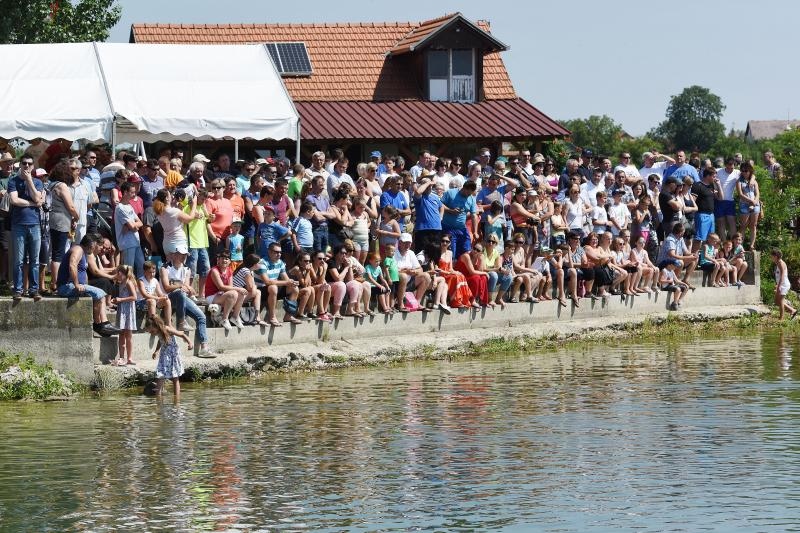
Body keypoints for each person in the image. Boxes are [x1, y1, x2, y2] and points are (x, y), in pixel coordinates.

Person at [56, 233, 120, 337]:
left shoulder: (84, 253)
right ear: (91, 244)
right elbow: (72, 265)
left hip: (74, 286)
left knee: (98, 293)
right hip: (67, 286)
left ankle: (100, 324)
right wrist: (76, 284)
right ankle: (102, 324)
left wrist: (85, 286)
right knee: (100, 293)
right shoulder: (78, 249)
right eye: (96, 245)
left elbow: (83, 272)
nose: (97, 248)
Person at [160, 248, 212, 357]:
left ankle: (204, 347)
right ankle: (181, 321)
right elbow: (166, 287)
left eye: (185, 255)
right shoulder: (165, 267)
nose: (184, 257)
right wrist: (181, 286)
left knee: (201, 317)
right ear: (174, 255)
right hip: (167, 298)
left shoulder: (187, 269)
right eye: (181, 254)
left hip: (181, 297)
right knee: (180, 292)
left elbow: (187, 289)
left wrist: (189, 290)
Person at [8, 154, 44, 301]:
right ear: (20, 165)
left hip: (35, 224)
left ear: (33, 166)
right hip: (18, 225)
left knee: (35, 260)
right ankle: (18, 290)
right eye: (24, 163)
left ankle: (33, 290)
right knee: (18, 260)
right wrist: (32, 203)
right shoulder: (13, 181)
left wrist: (29, 180)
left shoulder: (37, 182)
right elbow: (14, 200)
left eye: (30, 164)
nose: (27, 166)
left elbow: (38, 199)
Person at [146, 315, 191, 396]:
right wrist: (156, 351)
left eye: (152, 331)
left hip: (173, 355)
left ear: (157, 325)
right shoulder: (159, 332)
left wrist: (190, 343)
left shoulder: (167, 329)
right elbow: (160, 341)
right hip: (164, 356)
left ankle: (176, 400)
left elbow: (182, 335)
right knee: (160, 375)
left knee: (175, 378)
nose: (152, 333)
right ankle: (158, 400)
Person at [205, 251, 247, 331]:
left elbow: (230, 287)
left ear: (230, 261)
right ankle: (225, 319)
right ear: (218, 260)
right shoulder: (214, 270)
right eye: (223, 258)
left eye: (227, 259)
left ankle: (235, 317)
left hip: (222, 295)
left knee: (240, 294)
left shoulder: (229, 270)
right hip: (211, 296)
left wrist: (238, 290)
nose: (224, 261)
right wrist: (238, 288)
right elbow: (221, 287)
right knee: (234, 293)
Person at [394, 233, 432, 311]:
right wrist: (405, 271)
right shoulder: (394, 253)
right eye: (405, 243)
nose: (408, 245)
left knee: (426, 276)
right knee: (404, 276)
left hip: (410, 281)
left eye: (409, 243)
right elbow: (391, 270)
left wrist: (414, 271)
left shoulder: (411, 253)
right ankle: (400, 304)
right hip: (397, 281)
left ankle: (417, 302)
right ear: (400, 243)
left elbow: (420, 269)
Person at [114, 182, 145, 278]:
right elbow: (133, 227)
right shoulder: (120, 208)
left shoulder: (129, 206)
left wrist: (130, 226)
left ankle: (139, 291)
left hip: (135, 241)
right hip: (127, 244)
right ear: (125, 192)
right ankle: (125, 291)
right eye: (132, 192)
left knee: (141, 266)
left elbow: (140, 223)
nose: (134, 194)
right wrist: (132, 226)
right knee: (128, 270)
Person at [231, 254, 270, 327]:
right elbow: (251, 290)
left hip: (239, 294)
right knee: (256, 292)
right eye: (259, 263)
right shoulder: (246, 271)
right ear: (255, 264)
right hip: (235, 296)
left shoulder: (249, 270)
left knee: (258, 292)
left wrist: (254, 286)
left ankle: (257, 317)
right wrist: (255, 286)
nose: (261, 265)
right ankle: (257, 318)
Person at [656, 223, 698, 289]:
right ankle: (675, 282)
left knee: (694, 260)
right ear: (680, 232)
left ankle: (685, 280)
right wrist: (688, 257)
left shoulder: (680, 239)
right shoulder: (670, 240)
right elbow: (672, 255)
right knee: (680, 262)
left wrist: (693, 255)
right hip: (664, 263)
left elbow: (686, 252)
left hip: (674, 261)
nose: (684, 233)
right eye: (683, 232)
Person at [436, 235, 473, 308]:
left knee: (461, 275)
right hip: (441, 275)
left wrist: (455, 272)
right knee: (456, 277)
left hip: (448, 273)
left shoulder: (450, 253)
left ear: (450, 243)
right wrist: (449, 273)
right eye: (443, 241)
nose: (445, 243)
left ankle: (462, 300)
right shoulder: (437, 252)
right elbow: (437, 269)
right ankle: (455, 301)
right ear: (440, 242)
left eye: (447, 241)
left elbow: (450, 268)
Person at [111, 265, 138, 366]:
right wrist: (116, 301)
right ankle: (122, 357)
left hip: (128, 311)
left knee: (128, 335)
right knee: (121, 333)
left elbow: (134, 297)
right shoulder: (121, 283)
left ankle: (129, 358)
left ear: (120, 273)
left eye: (117, 273)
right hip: (122, 309)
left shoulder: (128, 282)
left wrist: (121, 300)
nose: (116, 275)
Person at [136, 260, 172, 326]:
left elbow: (160, 293)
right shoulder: (141, 281)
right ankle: (153, 325)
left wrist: (164, 296)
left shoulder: (155, 280)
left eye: (154, 272)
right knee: (152, 301)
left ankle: (169, 324)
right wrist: (158, 298)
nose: (152, 274)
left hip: (153, 301)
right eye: (150, 272)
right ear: (145, 272)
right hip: (140, 303)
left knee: (167, 301)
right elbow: (145, 295)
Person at [736, 162, 760, 251]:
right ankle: (740, 246)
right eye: (742, 171)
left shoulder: (754, 181)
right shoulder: (739, 181)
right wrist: (751, 201)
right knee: (743, 226)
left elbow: (757, 193)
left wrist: (754, 202)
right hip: (744, 204)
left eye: (746, 171)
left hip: (755, 205)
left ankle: (752, 245)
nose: (744, 172)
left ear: (750, 171)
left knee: (753, 225)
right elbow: (740, 194)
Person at [770, 249, 797, 320]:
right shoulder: (777, 263)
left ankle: (781, 319)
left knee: (781, 301)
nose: (771, 258)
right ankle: (792, 310)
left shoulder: (781, 263)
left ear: (775, 256)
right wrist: (777, 284)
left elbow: (782, 276)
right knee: (776, 301)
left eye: (771, 256)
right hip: (781, 284)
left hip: (784, 285)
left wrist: (779, 286)